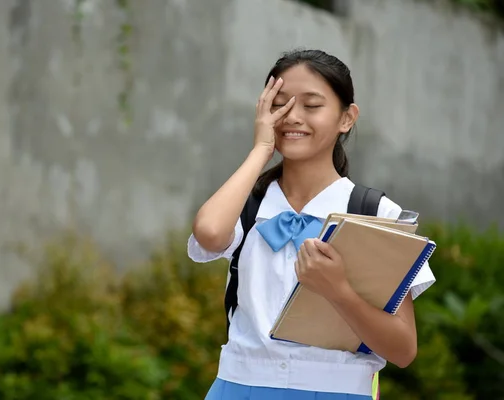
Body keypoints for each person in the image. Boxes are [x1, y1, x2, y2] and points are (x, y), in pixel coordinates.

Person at [187, 49, 436, 399]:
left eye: (312, 105)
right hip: (237, 387)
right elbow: (210, 234)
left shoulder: (379, 214)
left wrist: (338, 291)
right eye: (281, 104)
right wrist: (262, 148)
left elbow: (403, 349)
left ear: (346, 118)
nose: (293, 117)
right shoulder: (246, 201)